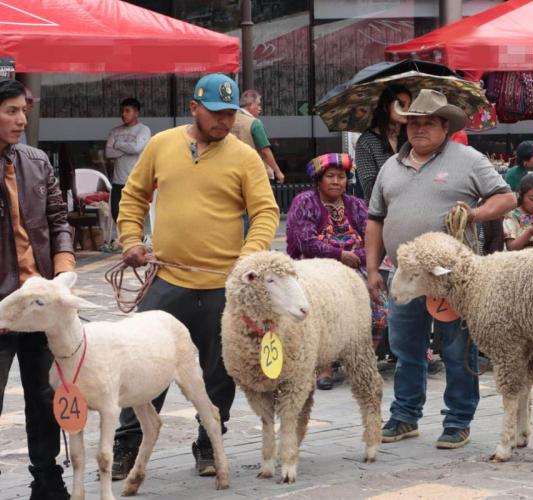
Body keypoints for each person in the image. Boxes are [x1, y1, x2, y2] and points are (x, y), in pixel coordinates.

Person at [112, 74, 280, 479]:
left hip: (224, 284)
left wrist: (248, 259)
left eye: (230, 114)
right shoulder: (162, 144)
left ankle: (209, 442)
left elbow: (266, 211)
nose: (224, 122)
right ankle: (127, 444)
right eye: (216, 114)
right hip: (167, 279)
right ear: (194, 108)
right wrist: (130, 239)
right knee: (145, 365)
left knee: (218, 369)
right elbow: (134, 194)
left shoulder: (243, 156)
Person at [366, 89, 516, 449]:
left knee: (456, 351)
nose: (418, 130)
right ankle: (404, 416)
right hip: (403, 273)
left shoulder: (468, 159)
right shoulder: (390, 165)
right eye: (412, 123)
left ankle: (458, 420)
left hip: (453, 281)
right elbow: (375, 220)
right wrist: (373, 269)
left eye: (428, 123)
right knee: (405, 348)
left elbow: (507, 197)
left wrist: (475, 214)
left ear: (444, 126)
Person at [0, 78, 73, 499]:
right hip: (1, 307)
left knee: (45, 397)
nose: (21, 119)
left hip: (41, 303)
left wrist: (63, 270)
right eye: (11, 111)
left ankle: (47, 478)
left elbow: (59, 220)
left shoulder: (37, 161)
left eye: (23, 110)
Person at [285, 153, 387, 390]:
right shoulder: (305, 202)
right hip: (315, 270)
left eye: (341, 177)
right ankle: (324, 366)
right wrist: (339, 255)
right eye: (330, 176)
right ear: (319, 180)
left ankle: (362, 361)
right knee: (325, 309)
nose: (336, 182)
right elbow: (304, 241)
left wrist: (357, 258)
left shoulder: (356, 205)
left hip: (353, 269)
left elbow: (373, 239)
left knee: (380, 305)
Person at [354, 85, 411, 203]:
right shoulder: (366, 141)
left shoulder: (412, 138)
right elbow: (369, 187)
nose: (407, 110)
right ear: (386, 106)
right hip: (381, 213)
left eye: (409, 106)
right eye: (401, 104)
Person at [104, 98, 152, 228]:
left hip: (135, 180)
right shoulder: (115, 131)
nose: (123, 114)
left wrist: (118, 145)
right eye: (122, 111)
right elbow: (108, 153)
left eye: (127, 111)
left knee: (135, 214)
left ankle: (136, 241)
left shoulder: (143, 130)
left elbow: (136, 148)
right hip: (117, 180)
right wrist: (128, 149)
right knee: (116, 213)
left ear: (136, 113)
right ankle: (122, 241)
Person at [231, 89, 284, 184]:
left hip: (233, 174)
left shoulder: (230, 120)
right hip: (256, 174)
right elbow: (265, 151)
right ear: (251, 105)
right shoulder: (254, 123)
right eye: (258, 104)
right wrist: (278, 171)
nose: (260, 108)